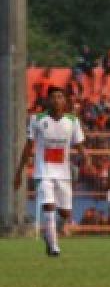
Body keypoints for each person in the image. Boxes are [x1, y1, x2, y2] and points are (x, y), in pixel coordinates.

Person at [13, 86, 86, 257]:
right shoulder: (37, 119)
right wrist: (19, 172)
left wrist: (87, 159)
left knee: (65, 213)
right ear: (48, 100)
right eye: (53, 97)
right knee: (49, 205)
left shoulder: (72, 121)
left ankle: (49, 233)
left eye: (60, 97)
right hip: (43, 172)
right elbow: (28, 147)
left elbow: (79, 144)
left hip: (64, 174)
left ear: (65, 101)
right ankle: (53, 246)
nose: (57, 100)